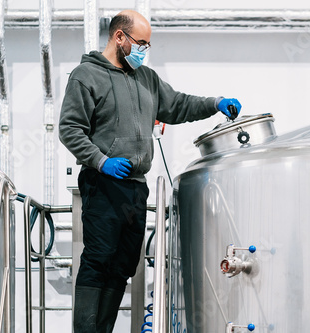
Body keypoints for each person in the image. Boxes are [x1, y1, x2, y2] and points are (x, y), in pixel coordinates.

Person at [58, 9, 241, 333]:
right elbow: (70, 128)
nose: (144, 50)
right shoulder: (86, 76)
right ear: (119, 37)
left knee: (123, 263)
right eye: (141, 43)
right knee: (99, 259)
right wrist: (101, 160)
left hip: (135, 186)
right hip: (104, 182)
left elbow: (178, 105)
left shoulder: (147, 79)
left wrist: (215, 101)